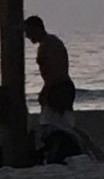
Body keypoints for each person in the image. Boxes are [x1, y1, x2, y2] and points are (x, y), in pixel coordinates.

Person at [24, 15, 83, 164]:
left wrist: (46, 91)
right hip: (62, 87)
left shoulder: (48, 45)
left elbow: (54, 72)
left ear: (36, 29)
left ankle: (65, 152)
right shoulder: (52, 42)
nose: (27, 36)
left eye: (28, 31)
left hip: (59, 88)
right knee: (60, 124)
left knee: (53, 125)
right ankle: (63, 152)